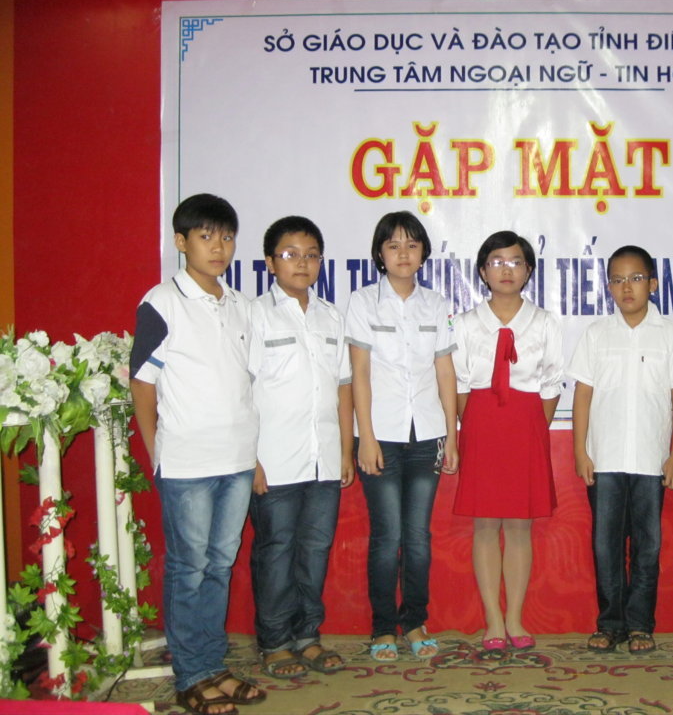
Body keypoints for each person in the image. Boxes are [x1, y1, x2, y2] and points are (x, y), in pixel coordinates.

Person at [129, 193, 265, 715]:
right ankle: (190, 676)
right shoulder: (161, 302)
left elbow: (246, 383)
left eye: (226, 237)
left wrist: (253, 455)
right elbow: (143, 385)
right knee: (189, 568)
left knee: (219, 565)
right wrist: (157, 451)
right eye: (206, 237)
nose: (218, 247)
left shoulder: (240, 305)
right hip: (186, 464)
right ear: (181, 242)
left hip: (236, 459)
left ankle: (213, 665)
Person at [345, 211, 459, 662]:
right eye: (393, 245)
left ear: (424, 253)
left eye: (412, 245)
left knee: (417, 537)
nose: (403, 253)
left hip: (427, 435)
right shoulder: (362, 302)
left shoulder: (436, 303)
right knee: (386, 535)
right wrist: (367, 437)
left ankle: (414, 621)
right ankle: (382, 628)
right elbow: (359, 374)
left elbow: (445, 372)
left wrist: (451, 436)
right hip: (381, 436)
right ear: (380, 253)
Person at [570, 245, 673, 655]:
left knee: (647, 547)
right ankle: (610, 624)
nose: (627, 288)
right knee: (605, 547)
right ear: (608, 287)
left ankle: (640, 625)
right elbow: (582, 395)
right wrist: (580, 450)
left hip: (651, 460)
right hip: (604, 458)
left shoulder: (670, 335)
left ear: (652, 283)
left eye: (636, 279)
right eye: (618, 280)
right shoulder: (596, 334)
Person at [248, 216, 353, 679]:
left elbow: (344, 387)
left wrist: (345, 451)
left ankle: (307, 636)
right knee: (276, 551)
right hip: (274, 460)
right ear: (270, 262)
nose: (302, 263)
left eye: (311, 255)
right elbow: (241, 389)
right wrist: (250, 458)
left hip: (323, 458)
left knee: (315, 551)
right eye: (291, 254)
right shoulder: (254, 315)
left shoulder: (331, 316)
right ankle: (274, 642)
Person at [452, 230, 562, 651]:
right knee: (485, 525)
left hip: (527, 424)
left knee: (520, 526)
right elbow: (460, 385)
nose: (506, 270)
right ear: (483, 271)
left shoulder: (544, 322)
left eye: (515, 262)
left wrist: (530, 426)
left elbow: (551, 383)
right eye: (496, 262)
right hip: (481, 424)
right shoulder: (465, 324)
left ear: (528, 270)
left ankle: (515, 617)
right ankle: (492, 620)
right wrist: (474, 426)